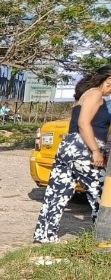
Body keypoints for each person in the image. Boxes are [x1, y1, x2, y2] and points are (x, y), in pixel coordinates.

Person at [33, 65, 111, 244]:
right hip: (84, 148)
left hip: (68, 148)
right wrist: (95, 151)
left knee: (56, 194)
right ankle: (105, 238)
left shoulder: (83, 95)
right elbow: (84, 123)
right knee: (101, 193)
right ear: (108, 80)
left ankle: (44, 236)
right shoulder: (95, 94)